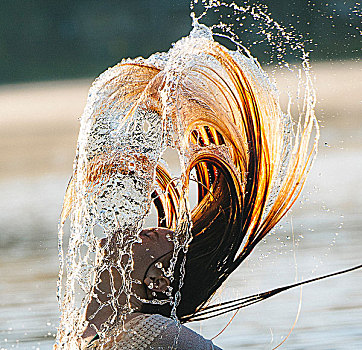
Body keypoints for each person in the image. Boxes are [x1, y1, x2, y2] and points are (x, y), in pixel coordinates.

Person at [81, 227, 222, 349]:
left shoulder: (152, 330)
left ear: (157, 282)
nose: (130, 231)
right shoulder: (80, 328)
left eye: (146, 236)